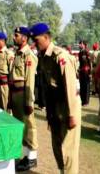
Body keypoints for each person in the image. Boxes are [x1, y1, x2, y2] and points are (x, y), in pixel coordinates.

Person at [30, 22, 81, 174]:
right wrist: (49, 113)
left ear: (46, 37)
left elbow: (70, 88)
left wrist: (72, 114)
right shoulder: (44, 57)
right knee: (57, 145)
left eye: (36, 39)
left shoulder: (61, 57)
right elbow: (46, 87)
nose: (34, 43)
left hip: (67, 106)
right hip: (55, 107)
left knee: (68, 149)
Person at [9, 27, 38, 171]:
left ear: (24, 38)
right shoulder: (18, 53)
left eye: (17, 35)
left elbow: (30, 81)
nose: (14, 37)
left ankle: (31, 158)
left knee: (29, 126)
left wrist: (29, 102)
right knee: (21, 126)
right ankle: (25, 156)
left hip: (23, 93)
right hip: (15, 93)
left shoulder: (28, 55)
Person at [0, 32, 14, 111]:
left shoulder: (8, 54)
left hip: (5, 85)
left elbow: (12, 71)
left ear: (2, 41)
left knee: (5, 107)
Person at [78, 40, 91, 106]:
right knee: (82, 86)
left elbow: (90, 63)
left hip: (86, 71)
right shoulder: (80, 52)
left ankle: (86, 101)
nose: (79, 45)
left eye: (81, 44)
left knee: (86, 86)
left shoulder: (86, 52)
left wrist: (90, 73)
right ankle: (82, 100)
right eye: (79, 44)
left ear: (84, 45)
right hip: (81, 71)